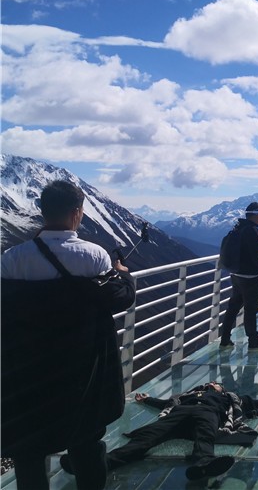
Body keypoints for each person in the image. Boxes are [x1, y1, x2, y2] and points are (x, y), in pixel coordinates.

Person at [1, 180, 136, 490]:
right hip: (81, 370)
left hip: (27, 370)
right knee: (87, 442)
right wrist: (124, 277)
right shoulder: (93, 256)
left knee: (29, 451)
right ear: (77, 213)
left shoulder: (11, 259)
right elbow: (118, 298)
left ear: (42, 211)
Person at [61, 383, 258, 482]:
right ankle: (101, 464)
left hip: (207, 413)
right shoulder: (184, 396)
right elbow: (165, 404)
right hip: (179, 413)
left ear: (221, 389)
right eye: (209, 383)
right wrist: (147, 399)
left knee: (205, 434)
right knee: (148, 437)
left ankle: (203, 464)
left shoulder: (229, 398)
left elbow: (256, 402)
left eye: (215, 384)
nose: (211, 384)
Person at [221, 201, 258, 349]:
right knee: (250, 309)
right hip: (250, 276)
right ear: (256, 215)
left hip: (236, 274)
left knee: (233, 307)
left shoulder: (239, 227)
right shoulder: (252, 230)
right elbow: (254, 255)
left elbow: (244, 248)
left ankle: (225, 338)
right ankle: (253, 340)